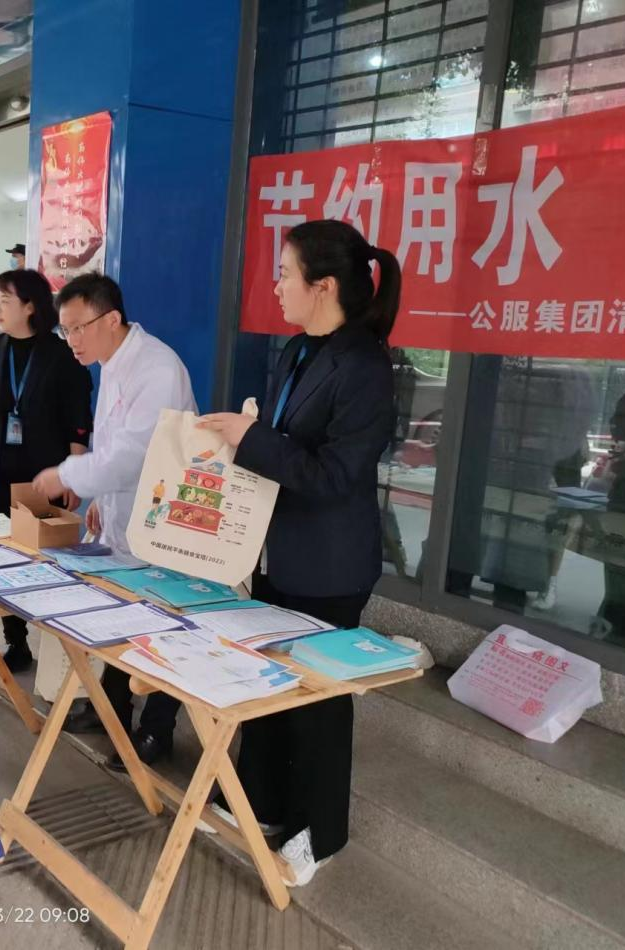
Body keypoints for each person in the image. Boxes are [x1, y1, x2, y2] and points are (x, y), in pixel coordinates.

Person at [195, 219, 402, 886]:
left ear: (323, 286)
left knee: (317, 698)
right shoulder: (295, 350)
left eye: (283, 274)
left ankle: (320, 834)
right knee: (266, 683)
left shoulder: (364, 367)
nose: (275, 286)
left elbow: (335, 475)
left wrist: (254, 438)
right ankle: (257, 802)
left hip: (329, 566)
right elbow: (283, 445)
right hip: (277, 553)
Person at [30, 273, 196, 770]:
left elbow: (132, 453)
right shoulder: (111, 361)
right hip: (126, 515)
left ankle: (156, 730)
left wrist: (66, 473)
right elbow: (110, 442)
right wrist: (98, 493)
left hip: (166, 519)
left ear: (111, 319)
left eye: (78, 328)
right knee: (125, 616)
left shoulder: (157, 368)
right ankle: (116, 713)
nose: (71, 340)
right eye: (64, 331)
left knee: (165, 623)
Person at [0, 269, 93, 672]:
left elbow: (78, 419)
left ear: (30, 306)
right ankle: (16, 640)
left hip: (42, 474)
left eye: (5, 301)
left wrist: (73, 472)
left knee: (41, 559)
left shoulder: (61, 355)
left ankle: (57, 648)